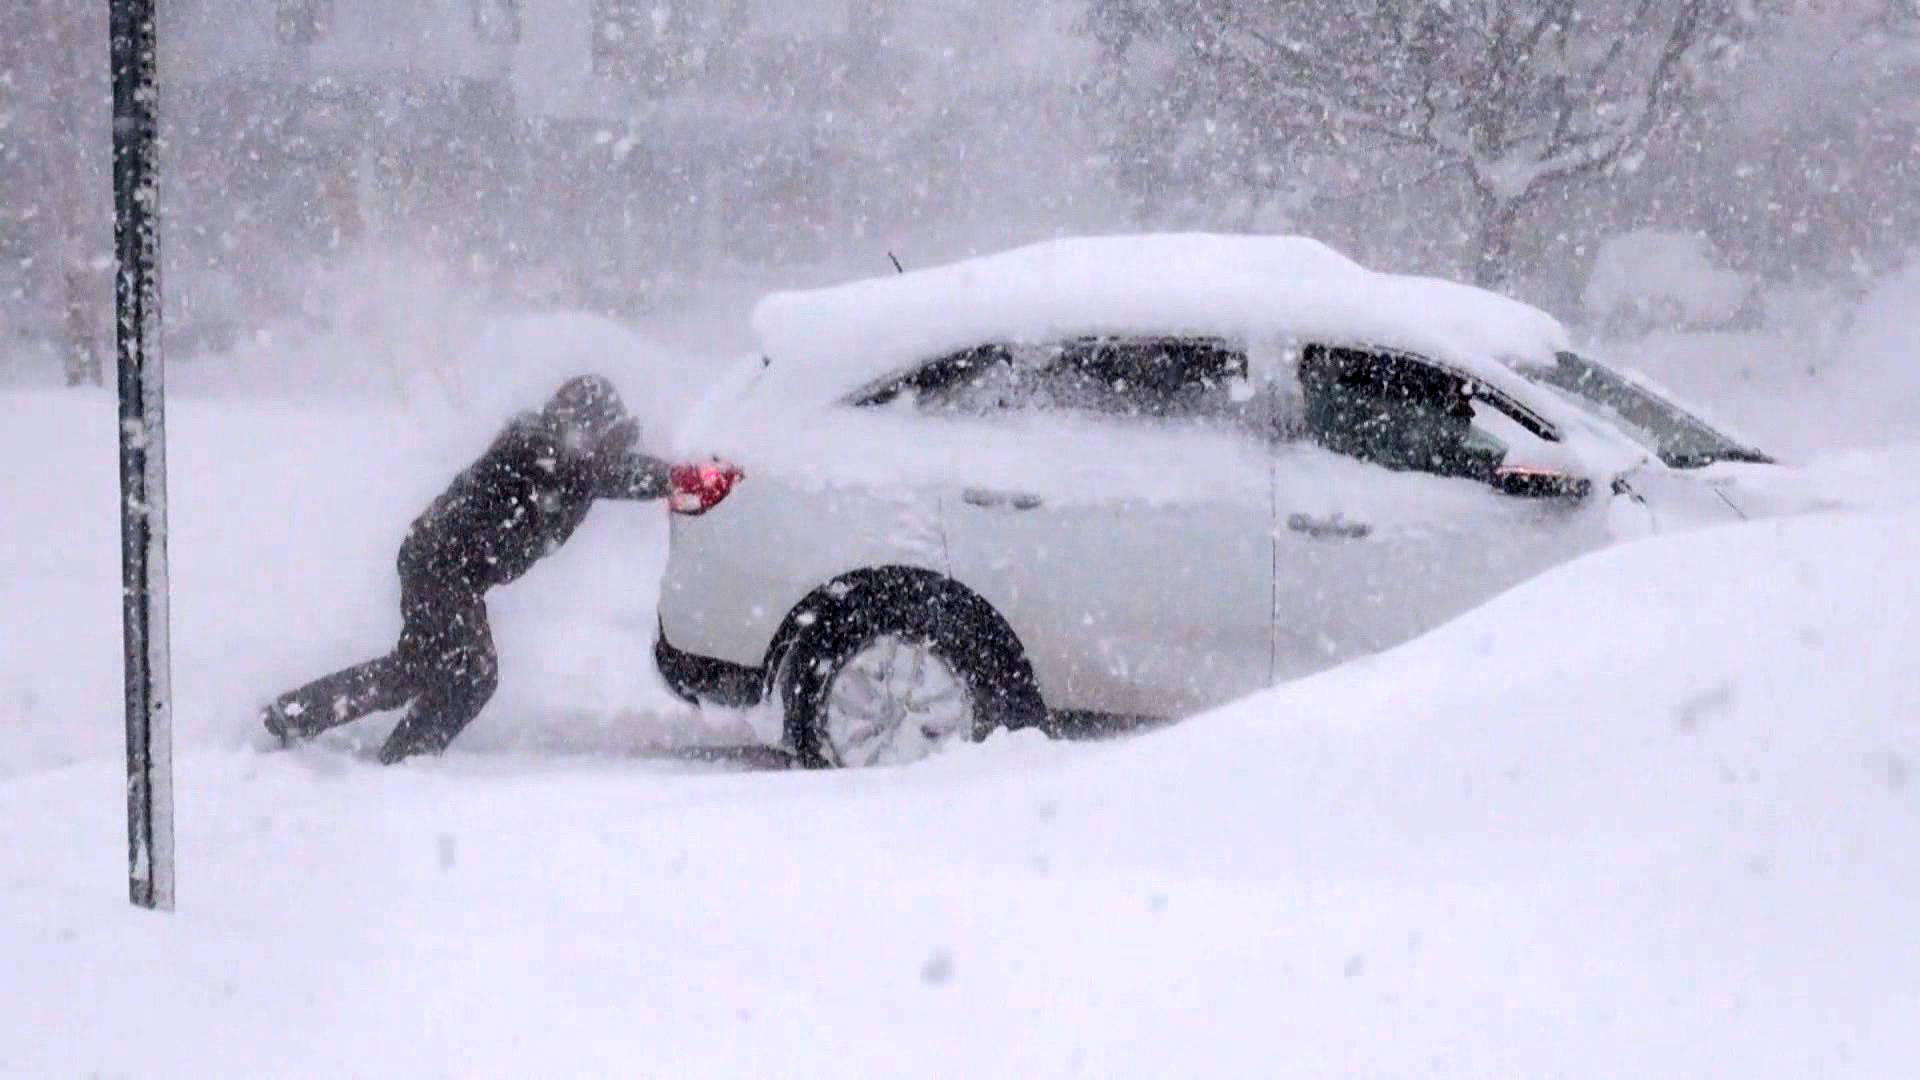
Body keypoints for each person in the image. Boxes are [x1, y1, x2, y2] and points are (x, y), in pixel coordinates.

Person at [263, 374, 671, 763]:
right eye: (590, 433)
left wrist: (678, 479)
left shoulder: (578, 467)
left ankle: (298, 714)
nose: (598, 447)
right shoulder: (531, 449)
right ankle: (405, 757)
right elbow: (595, 470)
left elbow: (613, 473)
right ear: (568, 424)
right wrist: (671, 478)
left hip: (446, 565)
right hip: (440, 563)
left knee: (418, 668)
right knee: (473, 674)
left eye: (604, 437)